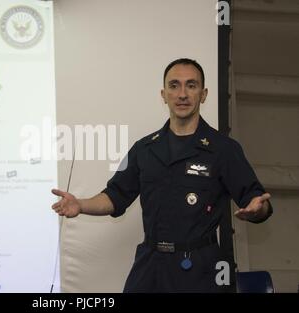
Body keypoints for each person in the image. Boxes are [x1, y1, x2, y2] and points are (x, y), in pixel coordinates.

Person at [51, 58, 273, 292]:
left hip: (201, 268)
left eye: (191, 85)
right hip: (151, 263)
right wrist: (80, 204)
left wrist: (258, 210)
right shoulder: (144, 148)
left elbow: (258, 201)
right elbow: (115, 195)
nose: (182, 94)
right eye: (174, 85)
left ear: (204, 94)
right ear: (163, 94)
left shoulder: (224, 149)